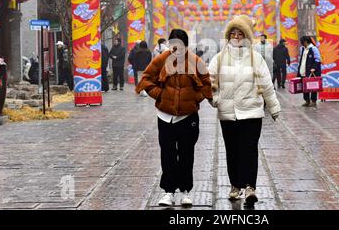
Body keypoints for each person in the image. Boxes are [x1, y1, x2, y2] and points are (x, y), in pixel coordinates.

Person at [208, 15, 281, 207]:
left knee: (249, 150)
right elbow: (209, 81)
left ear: (247, 36)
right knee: (232, 151)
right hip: (228, 114)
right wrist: (215, 100)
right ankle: (235, 185)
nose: (237, 36)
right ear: (228, 35)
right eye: (233, 33)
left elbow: (266, 84)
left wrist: (273, 107)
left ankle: (250, 187)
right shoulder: (219, 57)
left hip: (251, 112)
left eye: (241, 33)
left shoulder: (256, 58)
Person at [136, 29, 213, 207]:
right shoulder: (161, 59)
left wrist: (194, 99)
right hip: (165, 117)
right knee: (168, 155)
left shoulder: (195, 61)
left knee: (187, 154)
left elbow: (206, 83)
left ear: (186, 45)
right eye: (172, 44)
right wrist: (160, 95)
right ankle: (168, 192)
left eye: (179, 43)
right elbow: (146, 79)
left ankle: (186, 191)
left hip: (188, 117)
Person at [298, 36, 322, 107]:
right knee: (304, 87)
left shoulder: (313, 49)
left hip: (311, 71)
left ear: (305, 41)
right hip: (303, 71)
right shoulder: (303, 49)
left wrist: (314, 68)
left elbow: (318, 59)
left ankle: (313, 101)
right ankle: (307, 100)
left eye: (302, 42)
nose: (302, 44)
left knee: (312, 86)